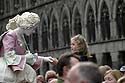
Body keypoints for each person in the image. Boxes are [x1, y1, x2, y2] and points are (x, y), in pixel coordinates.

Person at [0, 12, 56, 83]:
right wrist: (25, 57)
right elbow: (9, 56)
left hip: (14, 66)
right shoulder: (10, 35)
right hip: (6, 67)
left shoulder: (21, 37)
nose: (33, 31)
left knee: (31, 74)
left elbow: (28, 56)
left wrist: (45, 59)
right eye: (33, 28)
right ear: (27, 26)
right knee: (30, 74)